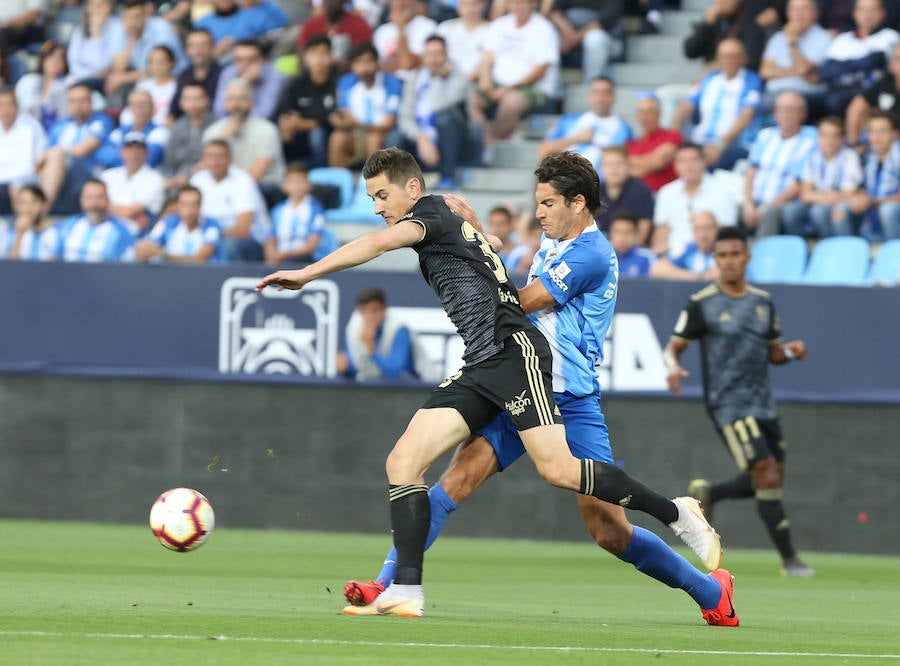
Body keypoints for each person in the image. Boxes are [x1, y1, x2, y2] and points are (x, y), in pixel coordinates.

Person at [256, 148, 735, 624]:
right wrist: (475, 239)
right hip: (508, 378)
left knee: (608, 529)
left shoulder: (591, 253)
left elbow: (518, 300)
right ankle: (395, 582)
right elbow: (491, 277)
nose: (539, 211)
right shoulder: (550, 243)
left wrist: (470, 239)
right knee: (452, 477)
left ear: (578, 203)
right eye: (538, 202)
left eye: (548, 203)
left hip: (565, 392)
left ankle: (702, 575)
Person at [663, 226, 816, 578]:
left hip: (763, 402)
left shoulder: (762, 301)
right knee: (766, 473)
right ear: (715, 260)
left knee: (770, 477)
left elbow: (773, 353)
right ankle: (790, 559)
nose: (729, 262)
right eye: (722, 256)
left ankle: (710, 492)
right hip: (729, 404)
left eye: (735, 254)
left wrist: (791, 352)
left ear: (747, 258)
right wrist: (672, 368)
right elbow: (674, 346)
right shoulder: (703, 304)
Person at [470, 0, 559, 158]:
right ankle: (486, 140)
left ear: (533, 4)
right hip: (499, 83)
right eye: (513, 2)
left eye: (521, 3)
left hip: (534, 88)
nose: (517, 6)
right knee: (469, 99)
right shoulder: (499, 25)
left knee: (511, 102)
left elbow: (540, 71)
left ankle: (494, 146)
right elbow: (486, 58)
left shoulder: (544, 28)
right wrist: (486, 82)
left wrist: (508, 88)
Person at [389, 34, 474, 189]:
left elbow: (437, 105)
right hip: (421, 138)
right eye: (429, 55)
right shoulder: (414, 78)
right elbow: (405, 118)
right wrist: (421, 137)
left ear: (447, 56)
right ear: (423, 57)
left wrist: (438, 78)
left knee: (444, 118)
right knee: (395, 137)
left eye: (438, 54)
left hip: (452, 138)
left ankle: (448, 176)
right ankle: (396, 185)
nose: (433, 60)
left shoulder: (459, 77)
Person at [673, 39, 763, 172]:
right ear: (718, 59)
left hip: (733, 144)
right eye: (724, 56)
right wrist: (673, 137)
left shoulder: (752, 80)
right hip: (700, 141)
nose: (729, 60)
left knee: (697, 163)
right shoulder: (709, 78)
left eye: (733, 56)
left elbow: (746, 116)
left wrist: (720, 145)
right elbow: (685, 106)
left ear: (743, 58)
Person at [742, 91, 818, 237]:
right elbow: (751, 172)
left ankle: (761, 256)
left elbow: (800, 182)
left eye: (791, 110)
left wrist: (767, 206)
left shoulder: (811, 138)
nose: (785, 114)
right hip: (755, 200)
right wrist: (747, 204)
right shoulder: (765, 135)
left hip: (783, 202)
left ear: (803, 114)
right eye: (781, 109)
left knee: (770, 213)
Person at [37, 82, 113, 215]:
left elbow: (82, 150)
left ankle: (42, 210)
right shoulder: (59, 126)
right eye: (73, 101)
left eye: (82, 100)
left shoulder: (101, 121)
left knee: (56, 156)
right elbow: (43, 158)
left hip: (87, 175)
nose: (78, 106)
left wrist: (58, 152)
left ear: (91, 102)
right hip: (59, 177)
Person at [781, 115, 864, 237]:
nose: (829, 141)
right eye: (824, 135)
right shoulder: (812, 156)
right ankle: (802, 246)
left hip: (841, 203)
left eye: (834, 136)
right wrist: (825, 197)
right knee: (790, 210)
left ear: (842, 139)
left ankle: (833, 246)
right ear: (818, 138)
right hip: (823, 201)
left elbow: (849, 194)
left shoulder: (849, 157)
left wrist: (820, 197)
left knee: (821, 211)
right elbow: (805, 194)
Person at [652, 142, 738, 257]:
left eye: (694, 160)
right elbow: (661, 233)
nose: (688, 166)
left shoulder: (722, 192)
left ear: (704, 162)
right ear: (675, 165)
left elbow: (726, 236)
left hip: (710, 257)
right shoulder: (666, 193)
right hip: (673, 258)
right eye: (682, 161)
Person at [190, 138, 270, 261]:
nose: (214, 162)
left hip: (250, 243)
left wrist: (211, 239)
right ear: (203, 159)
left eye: (219, 157)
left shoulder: (243, 181)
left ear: (229, 159)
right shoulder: (197, 180)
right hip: (207, 238)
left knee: (228, 245)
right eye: (210, 156)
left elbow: (243, 230)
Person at [818, 0, 899, 117]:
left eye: (872, 10)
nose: (867, 14)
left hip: (869, 89)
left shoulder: (890, 36)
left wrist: (841, 65)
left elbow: (874, 61)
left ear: (882, 13)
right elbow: (825, 71)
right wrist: (858, 63)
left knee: (836, 102)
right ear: (854, 13)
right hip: (835, 88)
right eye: (862, 10)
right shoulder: (843, 38)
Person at [328, 42, 402, 169]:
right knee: (337, 138)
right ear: (352, 66)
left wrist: (357, 125)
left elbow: (388, 122)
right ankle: (338, 183)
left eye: (369, 61)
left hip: (382, 133)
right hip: (355, 134)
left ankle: (374, 184)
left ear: (377, 63)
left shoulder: (391, 82)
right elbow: (345, 114)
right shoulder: (346, 82)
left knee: (373, 138)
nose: (365, 67)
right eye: (359, 62)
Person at [337, 286, 436, 381]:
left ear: (384, 310)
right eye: (364, 311)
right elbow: (358, 368)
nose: (369, 316)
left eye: (374, 310)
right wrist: (345, 368)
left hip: (420, 384)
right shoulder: (353, 329)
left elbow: (395, 373)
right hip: (382, 391)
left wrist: (371, 348)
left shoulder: (398, 329)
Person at [204, 78, 286, 190]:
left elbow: (254, 176)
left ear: (252, 102)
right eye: (231, 99)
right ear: (224, 103)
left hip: (262, 187)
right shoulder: (213, 132)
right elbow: (204, 169)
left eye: (241, 99)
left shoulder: (267, 130)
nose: (236, 104)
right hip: (224, 188)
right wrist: (222, 139)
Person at [537, 77, 633, 173]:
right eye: (596, 92)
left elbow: (629, 164)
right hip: (568, 183)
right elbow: (543, 152)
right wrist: (575, 139)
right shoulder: (569, 121)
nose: (600, 98)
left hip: (602, 185)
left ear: (613, 97)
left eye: (605, 93)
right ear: (589, 95)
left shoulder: (623, 129)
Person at [758, 0, 832, 120]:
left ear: (815, 14)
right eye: (794, 9)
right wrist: (796, 72)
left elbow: (802, 69)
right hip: (773, 94)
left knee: (787, 104)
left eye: (804, 9)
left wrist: (793, 43)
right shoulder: (778, 37)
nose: (798, 14)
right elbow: (765, 71)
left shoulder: (824, 37)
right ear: (788, 13)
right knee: (750, 103)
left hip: (806, 95)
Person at [105, 0, 187, 101]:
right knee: (114, 86)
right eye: (127, 17)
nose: (131, 21)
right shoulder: (123, 30)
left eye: (136, 16)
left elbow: (160, 69)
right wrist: (132, 39)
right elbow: (119, 68)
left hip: (175, 79)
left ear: (146, 15)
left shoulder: (161, 28)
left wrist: (123, 78)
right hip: (147, 80)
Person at [277, 34, 338, 168]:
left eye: (323, 54)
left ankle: (321, 174)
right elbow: (286, 111)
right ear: (305, 58)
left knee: (317, 135)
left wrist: (305, 123)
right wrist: (289, 124)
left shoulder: (337, 83)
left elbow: (332, 118)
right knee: (279, 131)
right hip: (298, 133)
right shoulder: (296, 83)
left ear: (331, 57)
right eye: (313, 54)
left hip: (326, 135)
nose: (318, 59)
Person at [683, 0, 785, 72]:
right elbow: (690, 52)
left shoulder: (749, 21)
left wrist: (727, 63)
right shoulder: (711, 21)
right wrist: (706, 25)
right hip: (712, 76)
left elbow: (754, 60)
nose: (722, 2)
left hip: (740, 76)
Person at [845, 110, 900, 240]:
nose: (876, 137)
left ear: (895, 134)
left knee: (888, 211)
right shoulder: (865, 156)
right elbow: (858, 186)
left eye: (882, 131)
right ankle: (851, 252)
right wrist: (858, 197)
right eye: (872, 131)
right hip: (872, 211)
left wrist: (874, 201)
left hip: (891, 211)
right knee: (841, 209)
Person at [135, 184, 222, 263]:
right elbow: (149, 244)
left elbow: (200, 259)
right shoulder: (166, 223)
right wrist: (144, 250)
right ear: (178, 205)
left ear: (200, 206)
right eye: (185, 204)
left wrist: (163, 255)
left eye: (193, 205)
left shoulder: (212, 226)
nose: (189, 211)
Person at [100, 132, 166, 235]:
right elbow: (92, 202)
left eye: (138, 149)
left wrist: (104, 208)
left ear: (146, 153)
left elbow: (129, 211)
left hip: (133, 234)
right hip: (102, 229)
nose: (133, 154)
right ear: (122, 152)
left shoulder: (155, 179)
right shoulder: (108, 175)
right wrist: (131, 215)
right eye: (129, 149)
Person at [57, 178, 135, 262]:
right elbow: (54, 257)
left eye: (99, 197)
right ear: (81, 200)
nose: (94, 203)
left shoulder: (121, 232)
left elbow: (122, 266)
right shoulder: (67, 226)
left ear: (108, 200)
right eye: (89, 197)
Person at [264, 162, 327, 265]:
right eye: (292, 182)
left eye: (300, 182)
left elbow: (312, 245)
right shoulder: (278, 209)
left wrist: (284, 254)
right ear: (284, 185)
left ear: (308, 184)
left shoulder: (315, 208)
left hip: (302, 258)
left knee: (289, 263)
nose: (296, 186)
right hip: (280, 256)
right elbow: (271, 237)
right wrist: (271, 253)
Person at [547, 0, 623, 83]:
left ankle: (592, 87)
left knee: (595, 39)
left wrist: (574, 39)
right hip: (567, 34)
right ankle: (552, 92)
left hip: (607, 38)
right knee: (547, 36)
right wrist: (568, 33)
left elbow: (605, 19)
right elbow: (554, 12)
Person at [161, 80, 215, 193]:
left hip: (205, 183)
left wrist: (188, 175)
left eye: (197, 98)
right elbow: (168, 162)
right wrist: (168, 180)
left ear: (207, 100)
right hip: (175, 184)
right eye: (188, 99)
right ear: (181, 102)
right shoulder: (176, 127)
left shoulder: (216, 127)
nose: (192, 104)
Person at [0, 86, 46, 217]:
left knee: (15, 188)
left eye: (9, 104)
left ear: (17, 107)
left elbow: (27, 168)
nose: (5, 110)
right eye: (1, 105)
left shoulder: (29, 127)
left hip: (23, 180)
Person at [212, 38, 285, 121]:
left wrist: (243, 82)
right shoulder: (229, 72)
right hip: (230, 124)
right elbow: (219, 111)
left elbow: (265, 114)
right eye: (239, 60)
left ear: (262, 60)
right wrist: (243, 81)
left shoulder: (275, 76)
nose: (245, 64)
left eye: (251, 60)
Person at [96, 89, 169, 170]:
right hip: (118, 176)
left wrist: (119, 153)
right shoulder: (120, 131)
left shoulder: (161, 132)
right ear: (130, 108)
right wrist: (133, 157)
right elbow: (102, 155)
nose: (140, 109)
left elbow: (150, 159)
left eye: (144, 105)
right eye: (136, 105)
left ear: (152, 108)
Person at [845, 42, 900, 146]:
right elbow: (857, 106)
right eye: (897, 59)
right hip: (882, 141)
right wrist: (854, 143)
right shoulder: (887, 80)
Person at [595, 146, 653, 243]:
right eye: (608, 164)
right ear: (601, 167)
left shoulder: (640, 190)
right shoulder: (595, 191)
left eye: (618, 163)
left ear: (628, 165)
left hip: (630, 248)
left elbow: (643, 230)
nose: (613, 169)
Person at [626, 92, 682, 194]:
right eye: (641, 112)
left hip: (663, 195)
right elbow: (623, 170)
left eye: (649, 112)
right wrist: (649, 160)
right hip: (636, 197)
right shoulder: (631, 144)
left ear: (659, 114)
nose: (644, 117)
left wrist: (631, 162)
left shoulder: (672, 136)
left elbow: (658, 162)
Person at [65, 0, 127, 89]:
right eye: (92, 5)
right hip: (79, 78)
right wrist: (89, 75)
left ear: (109, 7)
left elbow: (102, 65)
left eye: (100, 5)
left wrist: (97, 32)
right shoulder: (80, 29)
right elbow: (73, 62)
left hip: (102, 81)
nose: (96, 9)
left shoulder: (118, 27)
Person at [297, 0, 374, 71]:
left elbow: (365, 54)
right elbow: (301, 50)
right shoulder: (312, 25)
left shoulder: (359, 24)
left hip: (348, 75)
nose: (331, 3)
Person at [15, 40, 69, 132]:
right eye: (51, 57)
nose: (55, 62)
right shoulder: (28, 81)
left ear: (65, 63)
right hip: (29, 130)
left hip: (57, 131)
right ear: (43, 60)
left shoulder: (68, 84)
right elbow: (22, 110)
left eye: (60, 58)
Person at [169, 28, 222, 121]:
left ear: (213, 47)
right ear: (187, 50)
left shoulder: (223, 74)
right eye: (192, 46)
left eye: (203, 45)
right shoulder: (184, 75)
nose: (198, 51)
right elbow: (174, 111)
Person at [650, 210, 719, 281]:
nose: (703, 235)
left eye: (708, 228)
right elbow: (657, 269)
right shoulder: (688, 249)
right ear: (693, 232)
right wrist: (696, 277)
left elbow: (725, 272)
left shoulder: (725, 249)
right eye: (698, 229)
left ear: (717, 228)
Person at [373, 0, 437, 75]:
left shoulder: (428, 26)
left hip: (414, 81)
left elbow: (407, 64)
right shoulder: (381, 31)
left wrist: (400, 28)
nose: (400, 3)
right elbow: (379, 65)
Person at [435, 0, 490, 81]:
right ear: (458, 5)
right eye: (465, 4)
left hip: (476, 83)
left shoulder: (493, 29)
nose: (470, 9)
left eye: (474, 4)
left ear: (483, 5)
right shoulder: (444, 28)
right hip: (446, 80)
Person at [8, 185, 61, 261]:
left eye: (33, 202)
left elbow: (54, 263)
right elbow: (10, 265)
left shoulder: (57, 232)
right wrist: (19, 235)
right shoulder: (14, 232)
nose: (27, 208)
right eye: (23, 203)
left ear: (45, 205)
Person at [607, 211, 656, 278]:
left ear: (636, 234)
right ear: (610, 233)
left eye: (627, 232)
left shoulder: (647, 257)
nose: (622, 237)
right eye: (617, 232)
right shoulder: (601, 257)